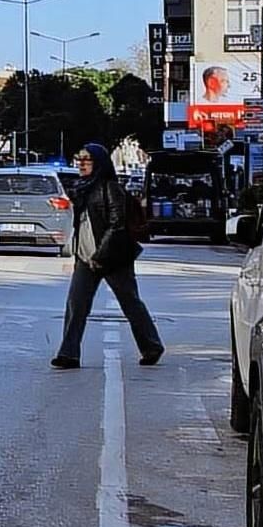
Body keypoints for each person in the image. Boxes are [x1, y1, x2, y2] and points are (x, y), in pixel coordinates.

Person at [53, 143, 164, 370]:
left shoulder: (110, 189)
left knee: (130, 302)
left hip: (113, 258)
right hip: (86, 258)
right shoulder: (82, 189)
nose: (81, 164)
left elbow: (117, 226)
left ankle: (151, 346)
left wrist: (101, 255)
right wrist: (82, 256)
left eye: (87, 160)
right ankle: (68, 354)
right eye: (79, 159)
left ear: (99, 163)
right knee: (76, 305)